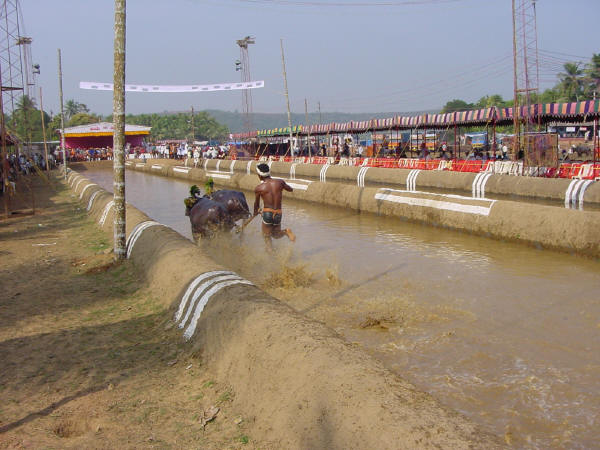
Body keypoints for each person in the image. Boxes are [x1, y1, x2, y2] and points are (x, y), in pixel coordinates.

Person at [252, 163, 295, 251]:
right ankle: (286, 232)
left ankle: (270, 252)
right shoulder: (280, 182)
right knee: (276, 234)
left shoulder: (259, 188)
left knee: (267, 236)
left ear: (260, 176)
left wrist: (256, 212)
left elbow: (256, 204)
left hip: (267, 213)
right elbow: (290, 189)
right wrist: (282, 187)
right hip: (278, 213)